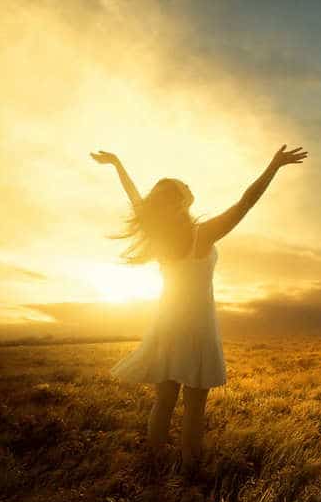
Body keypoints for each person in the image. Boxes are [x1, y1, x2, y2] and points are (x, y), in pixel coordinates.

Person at [91, 144, 308, 471]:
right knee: (194, 408)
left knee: (163, 401)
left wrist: (118, 164)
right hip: (197, 328)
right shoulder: (203, 234)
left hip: (165, 324)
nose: (190, 187)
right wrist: (273, 166)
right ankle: (190, 471)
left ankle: (154, 465)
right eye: (184, 187)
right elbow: (246, 202)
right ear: (182, 201)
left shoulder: (158, 234)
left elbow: (135, 197)